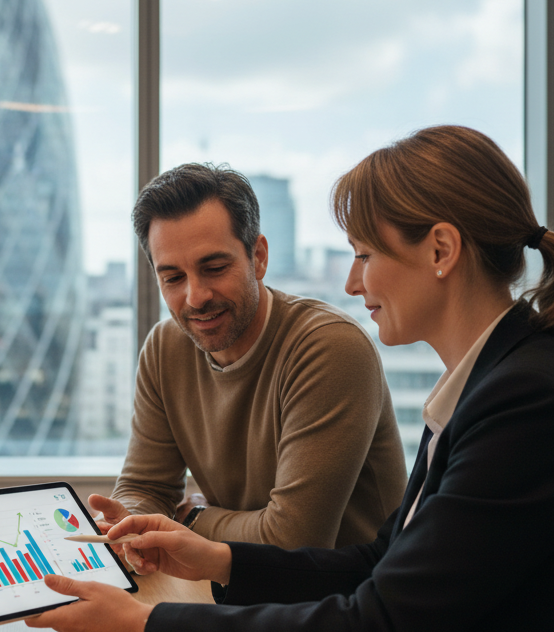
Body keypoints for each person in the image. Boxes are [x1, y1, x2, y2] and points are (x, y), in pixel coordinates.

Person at [29, 127, 554, 632]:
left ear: (441, 250)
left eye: (363, 255)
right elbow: (374, 564)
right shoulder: (491, 382)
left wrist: (146, 626)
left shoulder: (529, 402)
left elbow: (377, 629)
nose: (353, 282)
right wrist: (217, 559)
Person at [92, 163, 407, 550]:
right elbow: (145, 486)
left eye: (214, 267)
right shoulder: (165, 348)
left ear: (258, 257)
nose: (195, 297)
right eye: (173, 278)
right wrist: (131, 520)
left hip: (341, 600)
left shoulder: (329, 348)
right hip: (238, 588)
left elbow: (293, 542)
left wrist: (188, 518)